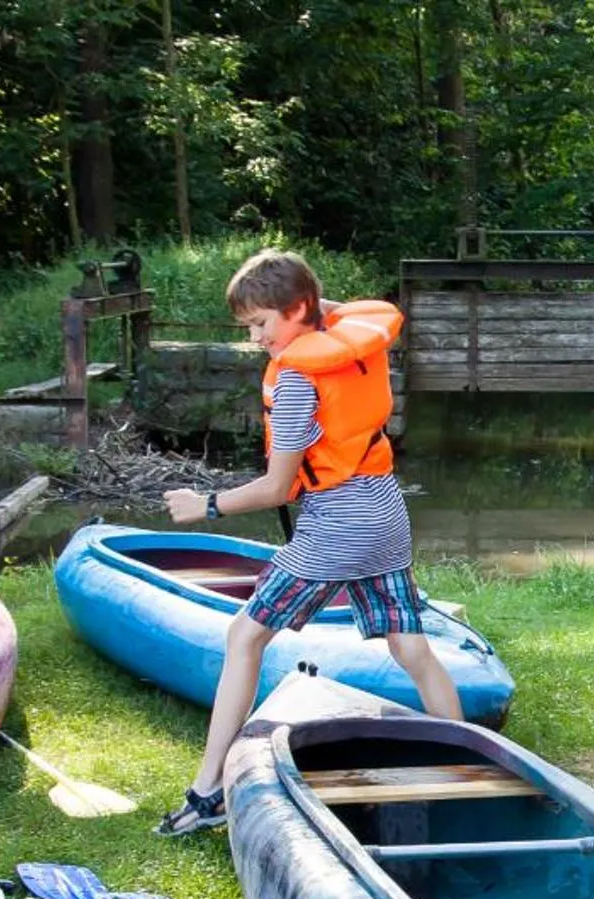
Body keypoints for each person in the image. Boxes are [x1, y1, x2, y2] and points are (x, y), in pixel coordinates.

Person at [155, 248, 460, 836]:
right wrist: (306, 304)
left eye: (261, 323)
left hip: (336, 529)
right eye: (249, 327)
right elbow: (340, 312)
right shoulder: (358, 345)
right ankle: (464, 757)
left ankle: (208, 790)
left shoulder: (297, 380)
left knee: (244, 636)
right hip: (386, 515)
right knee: (410, 647)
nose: (256, 339)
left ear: (298, 309)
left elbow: (277, 487)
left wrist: (207, 504)